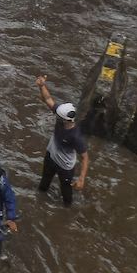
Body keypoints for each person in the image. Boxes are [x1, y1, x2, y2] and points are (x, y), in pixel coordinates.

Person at [36, 75, 89, 206]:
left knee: (66, 193)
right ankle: (39, 200)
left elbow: (85, 158)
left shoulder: (76, 137)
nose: (56, 117)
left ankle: (67, 209)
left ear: (67, 119)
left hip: (65, 167)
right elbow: (48, 99)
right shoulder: (62, 116)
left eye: (58, 117)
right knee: (43, 184)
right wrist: (42, 85)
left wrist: (81, 178)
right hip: (51, 157)